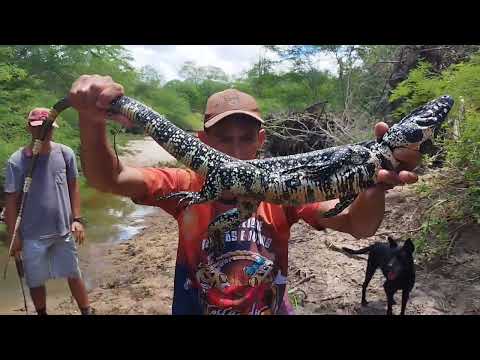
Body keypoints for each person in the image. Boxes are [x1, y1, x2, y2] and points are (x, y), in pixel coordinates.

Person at [69, 75, 421, 315]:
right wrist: (91, 119)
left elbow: (357, 225)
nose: (236, 150)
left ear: (261, 140)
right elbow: (108, 178)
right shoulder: (185, 185)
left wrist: (376, 183)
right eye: (224, 138)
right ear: (202, 141)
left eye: (246, 137)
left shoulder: (284, 188)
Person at [4, 107, 92, 315]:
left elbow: (74, 187)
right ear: (29, 128)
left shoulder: (65, 153)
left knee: (73, 273)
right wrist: (13, 235)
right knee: (35, 280)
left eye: (47, 127)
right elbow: (10, 200)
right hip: (32, 235)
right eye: (38, 128)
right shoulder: (16, 161)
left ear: (54, 128)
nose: (43, 132)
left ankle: (86, 311)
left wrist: (77, 219)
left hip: (63, 231)